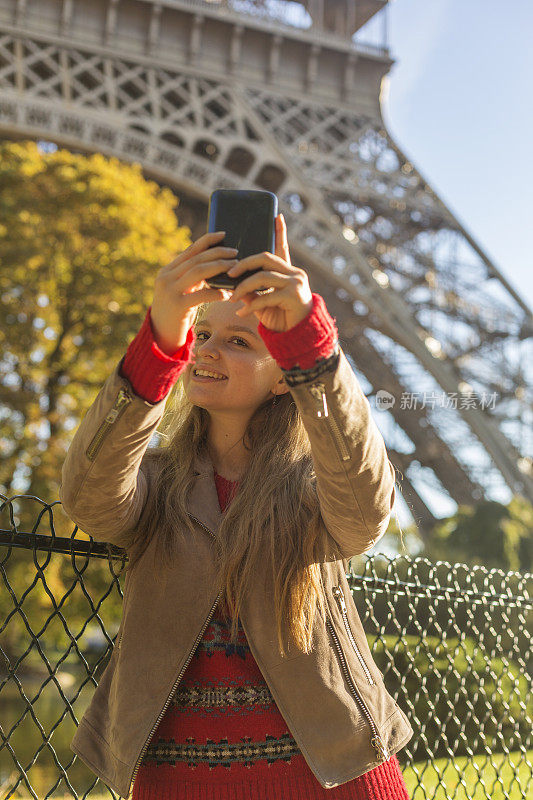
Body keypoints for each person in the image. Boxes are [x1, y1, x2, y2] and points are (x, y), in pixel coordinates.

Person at [61, 214, 413, 800]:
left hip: (329, 773)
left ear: (284, 378)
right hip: (177, 781)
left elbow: (364, 509)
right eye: (202, 334)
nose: (207, 350)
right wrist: (160, 339)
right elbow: (89, 496)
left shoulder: (312, 486)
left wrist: (308, 340)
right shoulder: (156, 486)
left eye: (239, 341)